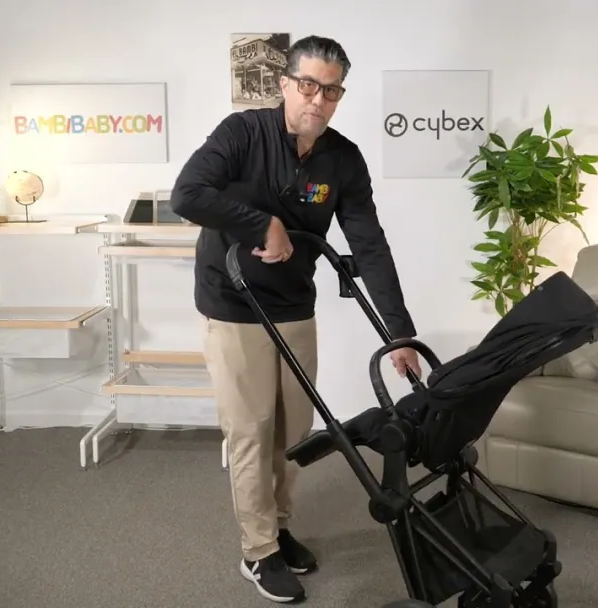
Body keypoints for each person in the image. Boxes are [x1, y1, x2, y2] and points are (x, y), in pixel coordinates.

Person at [169, 35, 421, 604]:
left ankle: (279, 528)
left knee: (292, 430)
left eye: (331, 91)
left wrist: (399, 333)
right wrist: (262, 224)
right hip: (233, 303)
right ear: (284, 84)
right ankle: (258, 550)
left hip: (292, 305)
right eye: (307, 85)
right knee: (251, 430)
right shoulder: (241, 134)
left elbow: (370, 244)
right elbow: (187, 194)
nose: (318, 99)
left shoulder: (343, 159)